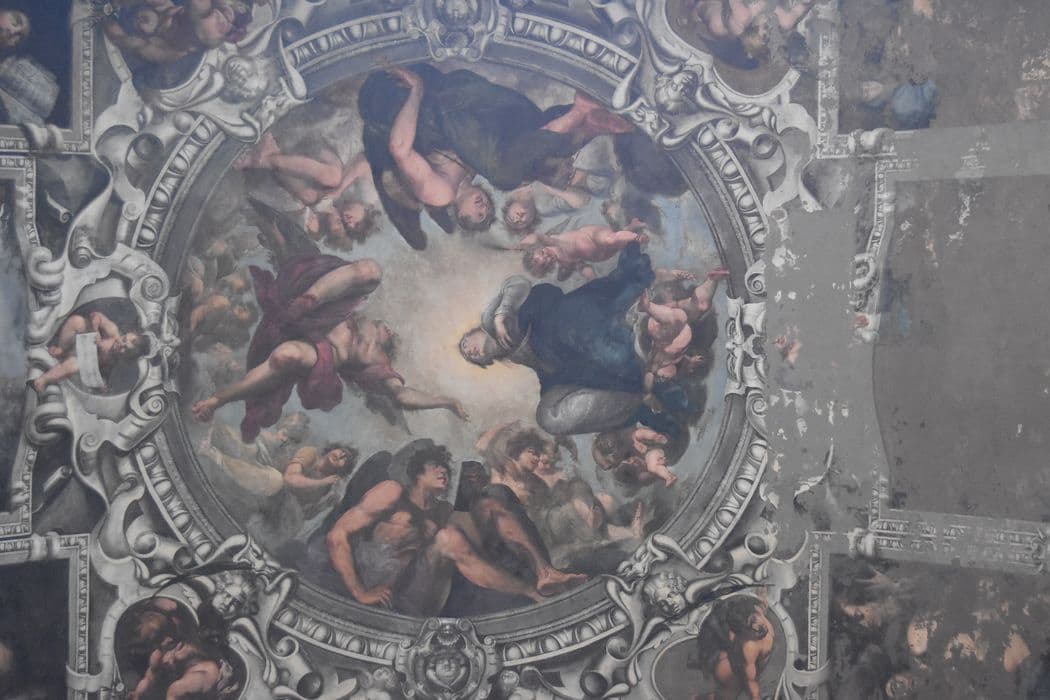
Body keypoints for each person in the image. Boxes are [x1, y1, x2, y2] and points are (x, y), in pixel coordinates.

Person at [191, 255, 468, 441]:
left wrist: (446, 402)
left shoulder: (378, 360)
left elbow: (403, 396)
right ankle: (310, 297)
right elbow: (354, 283)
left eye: (390, 333)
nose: (389, 329)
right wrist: (314, 301)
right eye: (387, 326)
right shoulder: (362, 317)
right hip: (316, 313)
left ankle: (219, 399)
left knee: (285, 356)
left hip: (321, 351)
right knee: (371, 270)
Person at [359, 64, 633, 249]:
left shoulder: (440, 194)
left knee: (504, 174)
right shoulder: (470, 171)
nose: (484, 208)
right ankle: (590, 126)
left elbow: (399, 148)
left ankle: (579, 112)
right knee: (532, 166)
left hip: (417, 102)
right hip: (466, 104)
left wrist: (417, 88)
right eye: (487, 213)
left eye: (476, 215)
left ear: (459, 214)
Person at [460, 243, 683, 436]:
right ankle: (634, 404)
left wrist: (502, 313)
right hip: (562, 361)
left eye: (465, 345)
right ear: (487, 361)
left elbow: (518, 283)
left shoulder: (493, 318)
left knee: (607, 351)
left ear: (477, 330)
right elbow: (546, 365)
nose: (469, 352)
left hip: (563, 321)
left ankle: (640, 373)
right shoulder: (514, 354)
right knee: (548, 417)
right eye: (471, 357)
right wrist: (551, 378)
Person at [322, 443, 547, 615]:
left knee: (452, 536)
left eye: (446, 468)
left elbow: (473, 556)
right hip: (370, 588)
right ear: (418, 472)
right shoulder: (392, 492)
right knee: (449, 537)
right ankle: (528, 592)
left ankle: (530, 591)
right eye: (435, 466)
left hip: (409, 597)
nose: (443, 471)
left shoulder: (442, 511)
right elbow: (337, 535)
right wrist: (359, 592)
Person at [236, 132, 381, 250]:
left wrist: (322, 209)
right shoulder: (369, 196)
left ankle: (271, 156)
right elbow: (363, 161)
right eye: (357, 224)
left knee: (311, 197)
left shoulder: (341, 210)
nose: (349, 224)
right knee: (334, 178)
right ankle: (266, 161)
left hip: (315, 165)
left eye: (350, 228)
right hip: (330, 149)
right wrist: (340, 189)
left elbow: (320, 208)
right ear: (366, 213)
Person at [33, 311, 149, 393]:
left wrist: (102, 385)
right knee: (76, 321)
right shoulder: (112, 331)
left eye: (125, 349)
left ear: (127, 356)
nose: (120, 344)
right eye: (123, 339)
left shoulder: (115, 361)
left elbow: (104, 374)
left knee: (73, 366)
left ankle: (42, 380)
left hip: (82, 357)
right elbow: (96, 315)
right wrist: (95, 331)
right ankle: (61, 349)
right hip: (76, 341)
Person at [689, 0, 816, 70]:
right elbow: (805, 5)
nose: (771, 26)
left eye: (765, 32)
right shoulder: (784, 20)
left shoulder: (742, 18)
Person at [696, 596, 776, 700]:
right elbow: (751, 683)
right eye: (750, 626)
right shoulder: (749, 647)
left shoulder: (758, 612)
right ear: (743, 632)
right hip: (730, 667)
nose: (757, 626)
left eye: (754, 619)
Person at [520, 222, 650, 280]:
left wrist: (522, 245)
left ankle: (638, 238)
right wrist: (591, 279)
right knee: (616, 244)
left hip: (591, 235)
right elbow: (581, 266)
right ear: (546, 268)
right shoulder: (565, 263)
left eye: (542, 253)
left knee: (610, 240)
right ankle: (631, 226)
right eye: (545, 262)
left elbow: (535, 237)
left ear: (539, 248)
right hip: (601, 254)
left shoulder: (552, 241)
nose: (547, 256)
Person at [592, 425, 677, 487]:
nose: (611, 465)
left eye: (609, 461)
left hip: (661, 443)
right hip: (658, 457)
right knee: (652, 465)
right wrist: (652, 472)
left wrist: (653, 437)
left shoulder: (628, 436)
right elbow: (641, 478)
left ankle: (656, 437)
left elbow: (639, 433)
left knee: (638, 434)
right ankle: (666, 474)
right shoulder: (622, 471)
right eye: (609, 467)